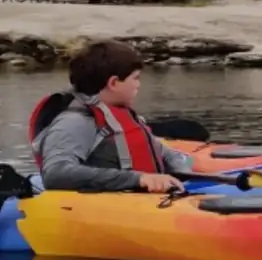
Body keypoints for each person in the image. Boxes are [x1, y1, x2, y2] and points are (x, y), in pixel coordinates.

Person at [29, 40, 192, 193]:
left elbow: (164, 153)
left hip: (141, 201)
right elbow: (56, 174)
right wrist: (138, 178)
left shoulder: (121, 115)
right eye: (135, 78)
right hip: (97, 209)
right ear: (113, 83)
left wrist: (183, 172)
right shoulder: (75, 121)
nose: (138, 84)